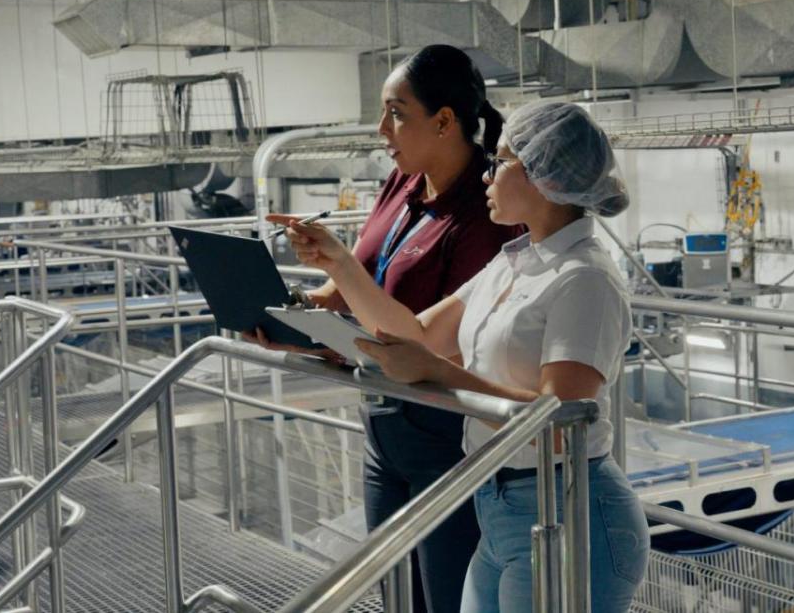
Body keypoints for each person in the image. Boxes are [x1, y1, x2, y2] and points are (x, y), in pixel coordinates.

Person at [271, 100, 650, 613]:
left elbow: (562, 421)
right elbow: (417, 333)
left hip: (568, 511)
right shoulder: (514, 260)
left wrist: (440, 374)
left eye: (501, 162)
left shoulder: (584, 278)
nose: (487, 177)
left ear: (542, 176)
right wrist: (338, 263)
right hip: (498, 504)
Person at [255, 44, 517, 613]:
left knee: (447, 600)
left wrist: (341, 267)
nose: (382, 130)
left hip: (445, 431)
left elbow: (435, 337)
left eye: (396, 113)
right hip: (383, 421)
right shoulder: (402, 185)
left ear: (445, 121)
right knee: (395, 596)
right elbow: (356, 286)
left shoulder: (486, 210)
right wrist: (293, 312)